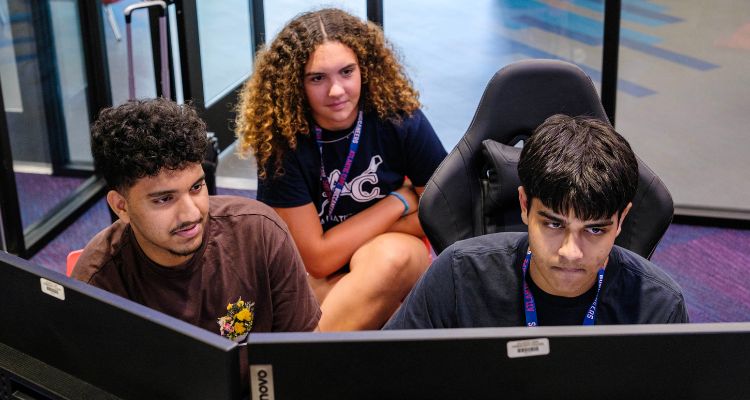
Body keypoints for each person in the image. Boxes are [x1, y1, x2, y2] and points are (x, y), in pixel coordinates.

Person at [235, 8, 447, 331]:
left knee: (392, 258)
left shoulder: (399, 119)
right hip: (312, 273)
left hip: (387, 255)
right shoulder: (282, 142)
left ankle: (304, 362)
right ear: (296, 85)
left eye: (346, 72)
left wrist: (344, 244)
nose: (336, 91)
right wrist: (398, 203)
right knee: (306, 290)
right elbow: (316, 260)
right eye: (317, 78)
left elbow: (442, 217)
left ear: (365, 69)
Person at [385, 114, 689, 329]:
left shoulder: (659, 306)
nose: (571, 252)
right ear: (524, 205)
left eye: (594, 229)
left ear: (621, 219)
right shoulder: (457, 276)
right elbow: (387, 377)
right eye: (555, 224)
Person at [73, 98, 320, 337]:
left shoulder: (261, 233)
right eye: (164, 199)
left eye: (196, 187)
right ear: (121, 207)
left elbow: (305, 357)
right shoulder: (97, 282)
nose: (191, 213)